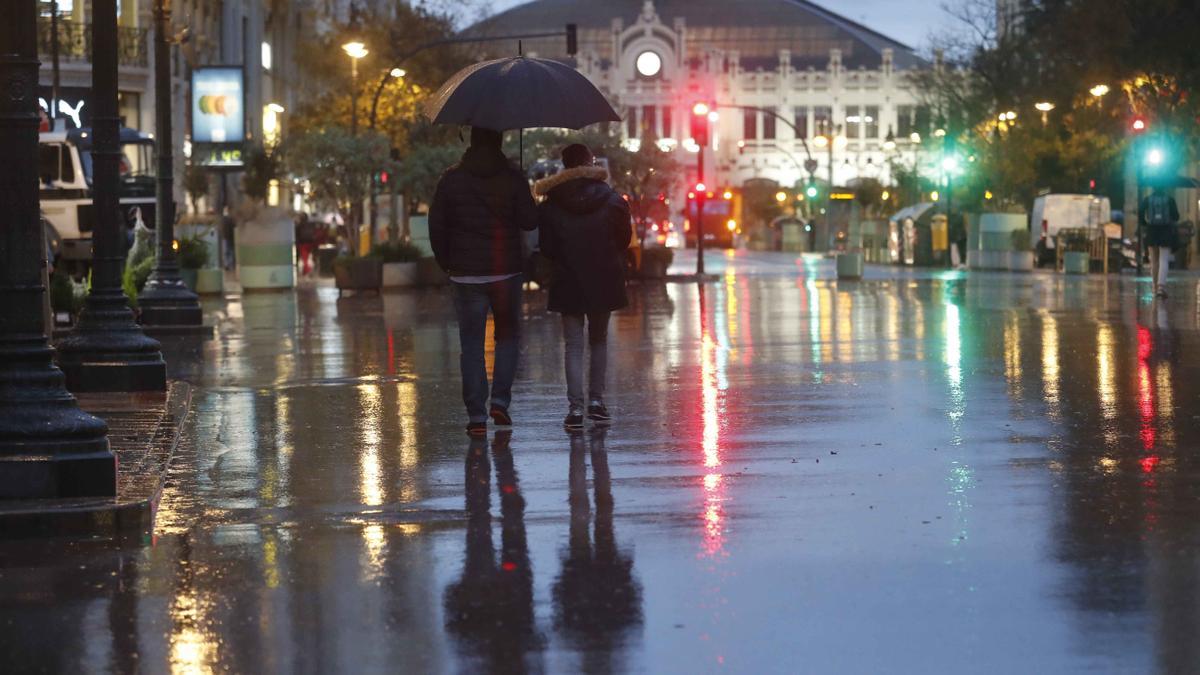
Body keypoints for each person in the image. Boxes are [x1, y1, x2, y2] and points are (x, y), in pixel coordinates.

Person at [429, 127, 537, 435]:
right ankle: (500, 402)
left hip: (465, 273)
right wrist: (522, 190)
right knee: (507, 337)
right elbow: (530, 220)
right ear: (501, 141)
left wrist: (446, 261)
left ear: (472, 142)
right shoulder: (513, 177)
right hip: (506, 271)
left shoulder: (451, 179)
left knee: (472, 345)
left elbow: (437, 225)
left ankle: (476, 416)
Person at [535, 144, 632, 429]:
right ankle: (596, 402)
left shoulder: (551, 203)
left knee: (573, 345)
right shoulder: (612, 199)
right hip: (603, 277)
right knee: (599, 339)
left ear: (564, 166)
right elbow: (624, 239)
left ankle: (575, 409)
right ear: (590, 163)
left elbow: (546, 247)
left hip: (568, 279)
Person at [1140, 185, 1180, 298]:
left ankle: (1154, 286)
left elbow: (1140, 212)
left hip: (1152, 231)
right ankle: (1161, 287)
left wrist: (1145, 223)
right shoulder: (1170, 200)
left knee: (1154, 261)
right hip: (1165, 231)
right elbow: (1176, 216)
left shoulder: (1147, 199)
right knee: (1164, 260)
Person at [295, 212, 316, 277]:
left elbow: (297, 235)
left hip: (302, 243)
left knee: (305, 258)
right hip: (310, 243)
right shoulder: (310, 225)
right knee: (306, 258)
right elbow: (313, 233)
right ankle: (305, 271)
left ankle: (308, 270)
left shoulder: (299, 225)